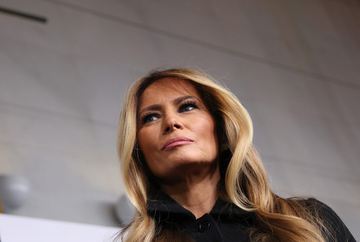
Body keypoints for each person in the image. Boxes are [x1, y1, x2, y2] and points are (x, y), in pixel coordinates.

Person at [116, 68, 355, 242]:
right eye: (151, 117)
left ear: (221, 131)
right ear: (138, 151)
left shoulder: (311, 221)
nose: (171, 121)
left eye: (187, 107)